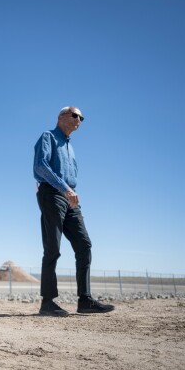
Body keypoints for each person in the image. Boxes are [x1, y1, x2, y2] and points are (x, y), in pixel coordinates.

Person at [33, 106, 115, 317]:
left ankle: (85, 300)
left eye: (82, 117)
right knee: (53, 247)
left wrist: (74, 201)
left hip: (70, 199)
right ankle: (48, 302)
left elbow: (72, 180)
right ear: (61, 117)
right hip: (52, 194)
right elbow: (41, 167)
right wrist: (65, 190)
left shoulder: (70, 148)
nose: (80, 119)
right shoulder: (48, 137)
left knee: (84, 244)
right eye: (76, 115)